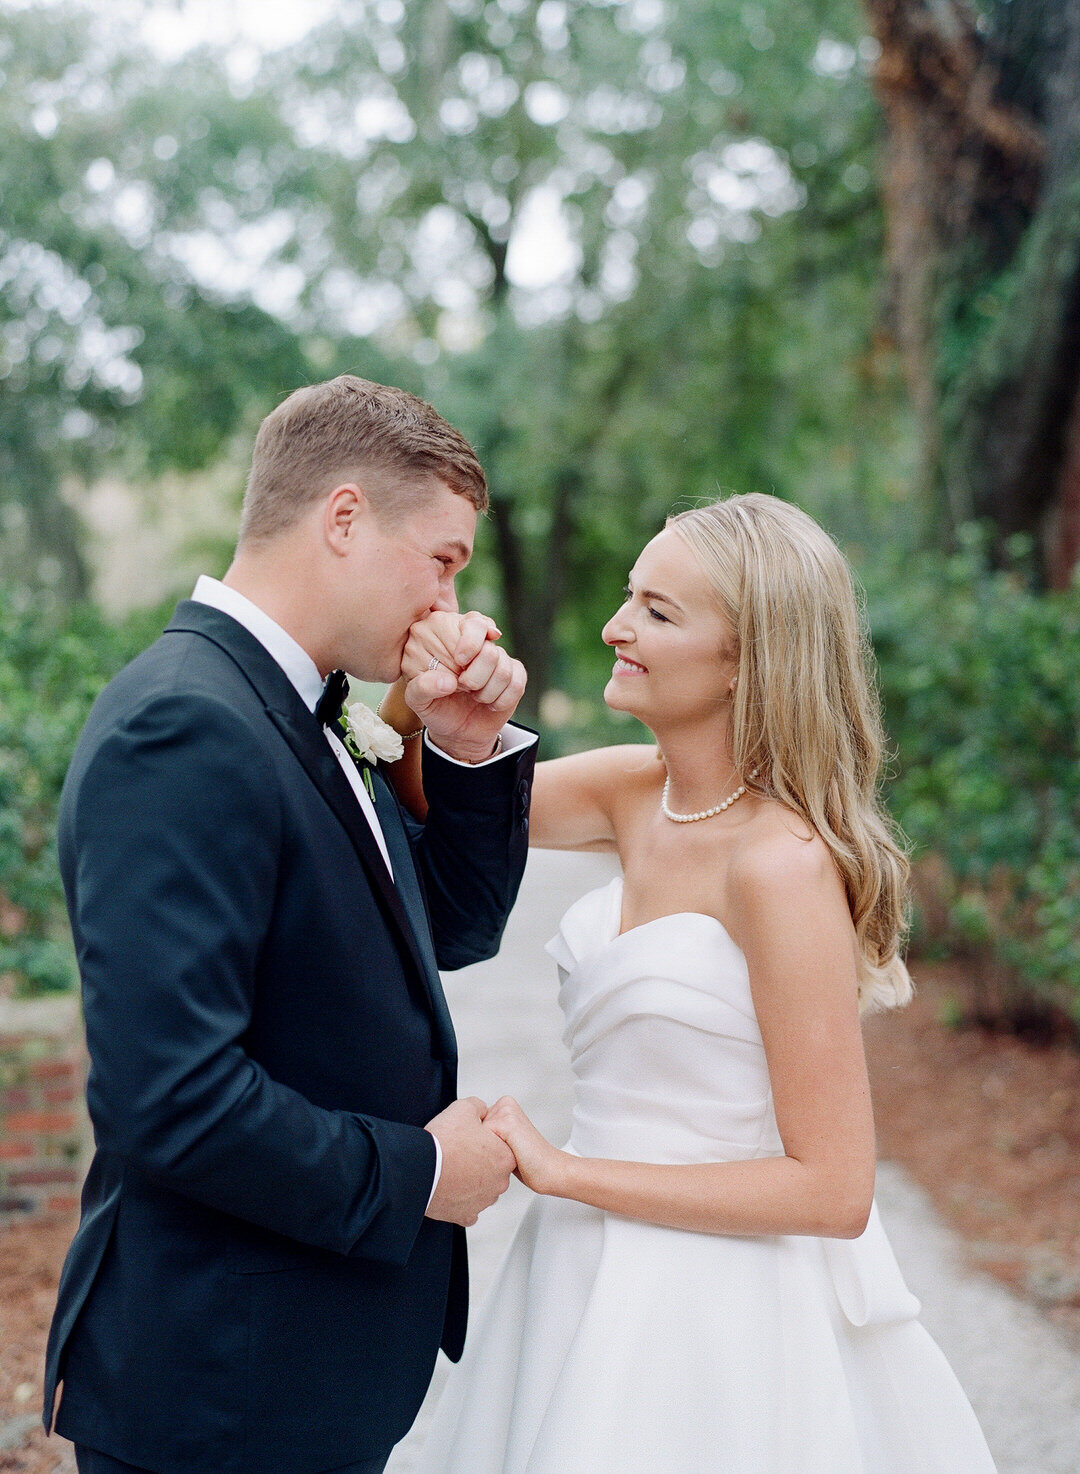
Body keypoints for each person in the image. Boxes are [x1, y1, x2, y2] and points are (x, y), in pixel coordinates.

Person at [385, 493, 998, 1473]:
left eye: (659, 611)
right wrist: (417, 703)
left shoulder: (783, 865)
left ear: (749, 657)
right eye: (632, 595)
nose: (615, 626)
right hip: (576, 1269)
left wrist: (565, 1169)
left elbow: (835, 1187)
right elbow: (434, 797)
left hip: (718, 1303)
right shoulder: (638, 788)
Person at [43, 375, 539, 1474]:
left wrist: (457, 748)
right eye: (445, 557)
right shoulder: (187, 724)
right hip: (221, 1391)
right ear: (346, 518)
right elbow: (167, 1098)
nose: (452, 597)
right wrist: (419, 1173)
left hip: (287, 1381)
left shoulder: (307, 710)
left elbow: (444, 932)